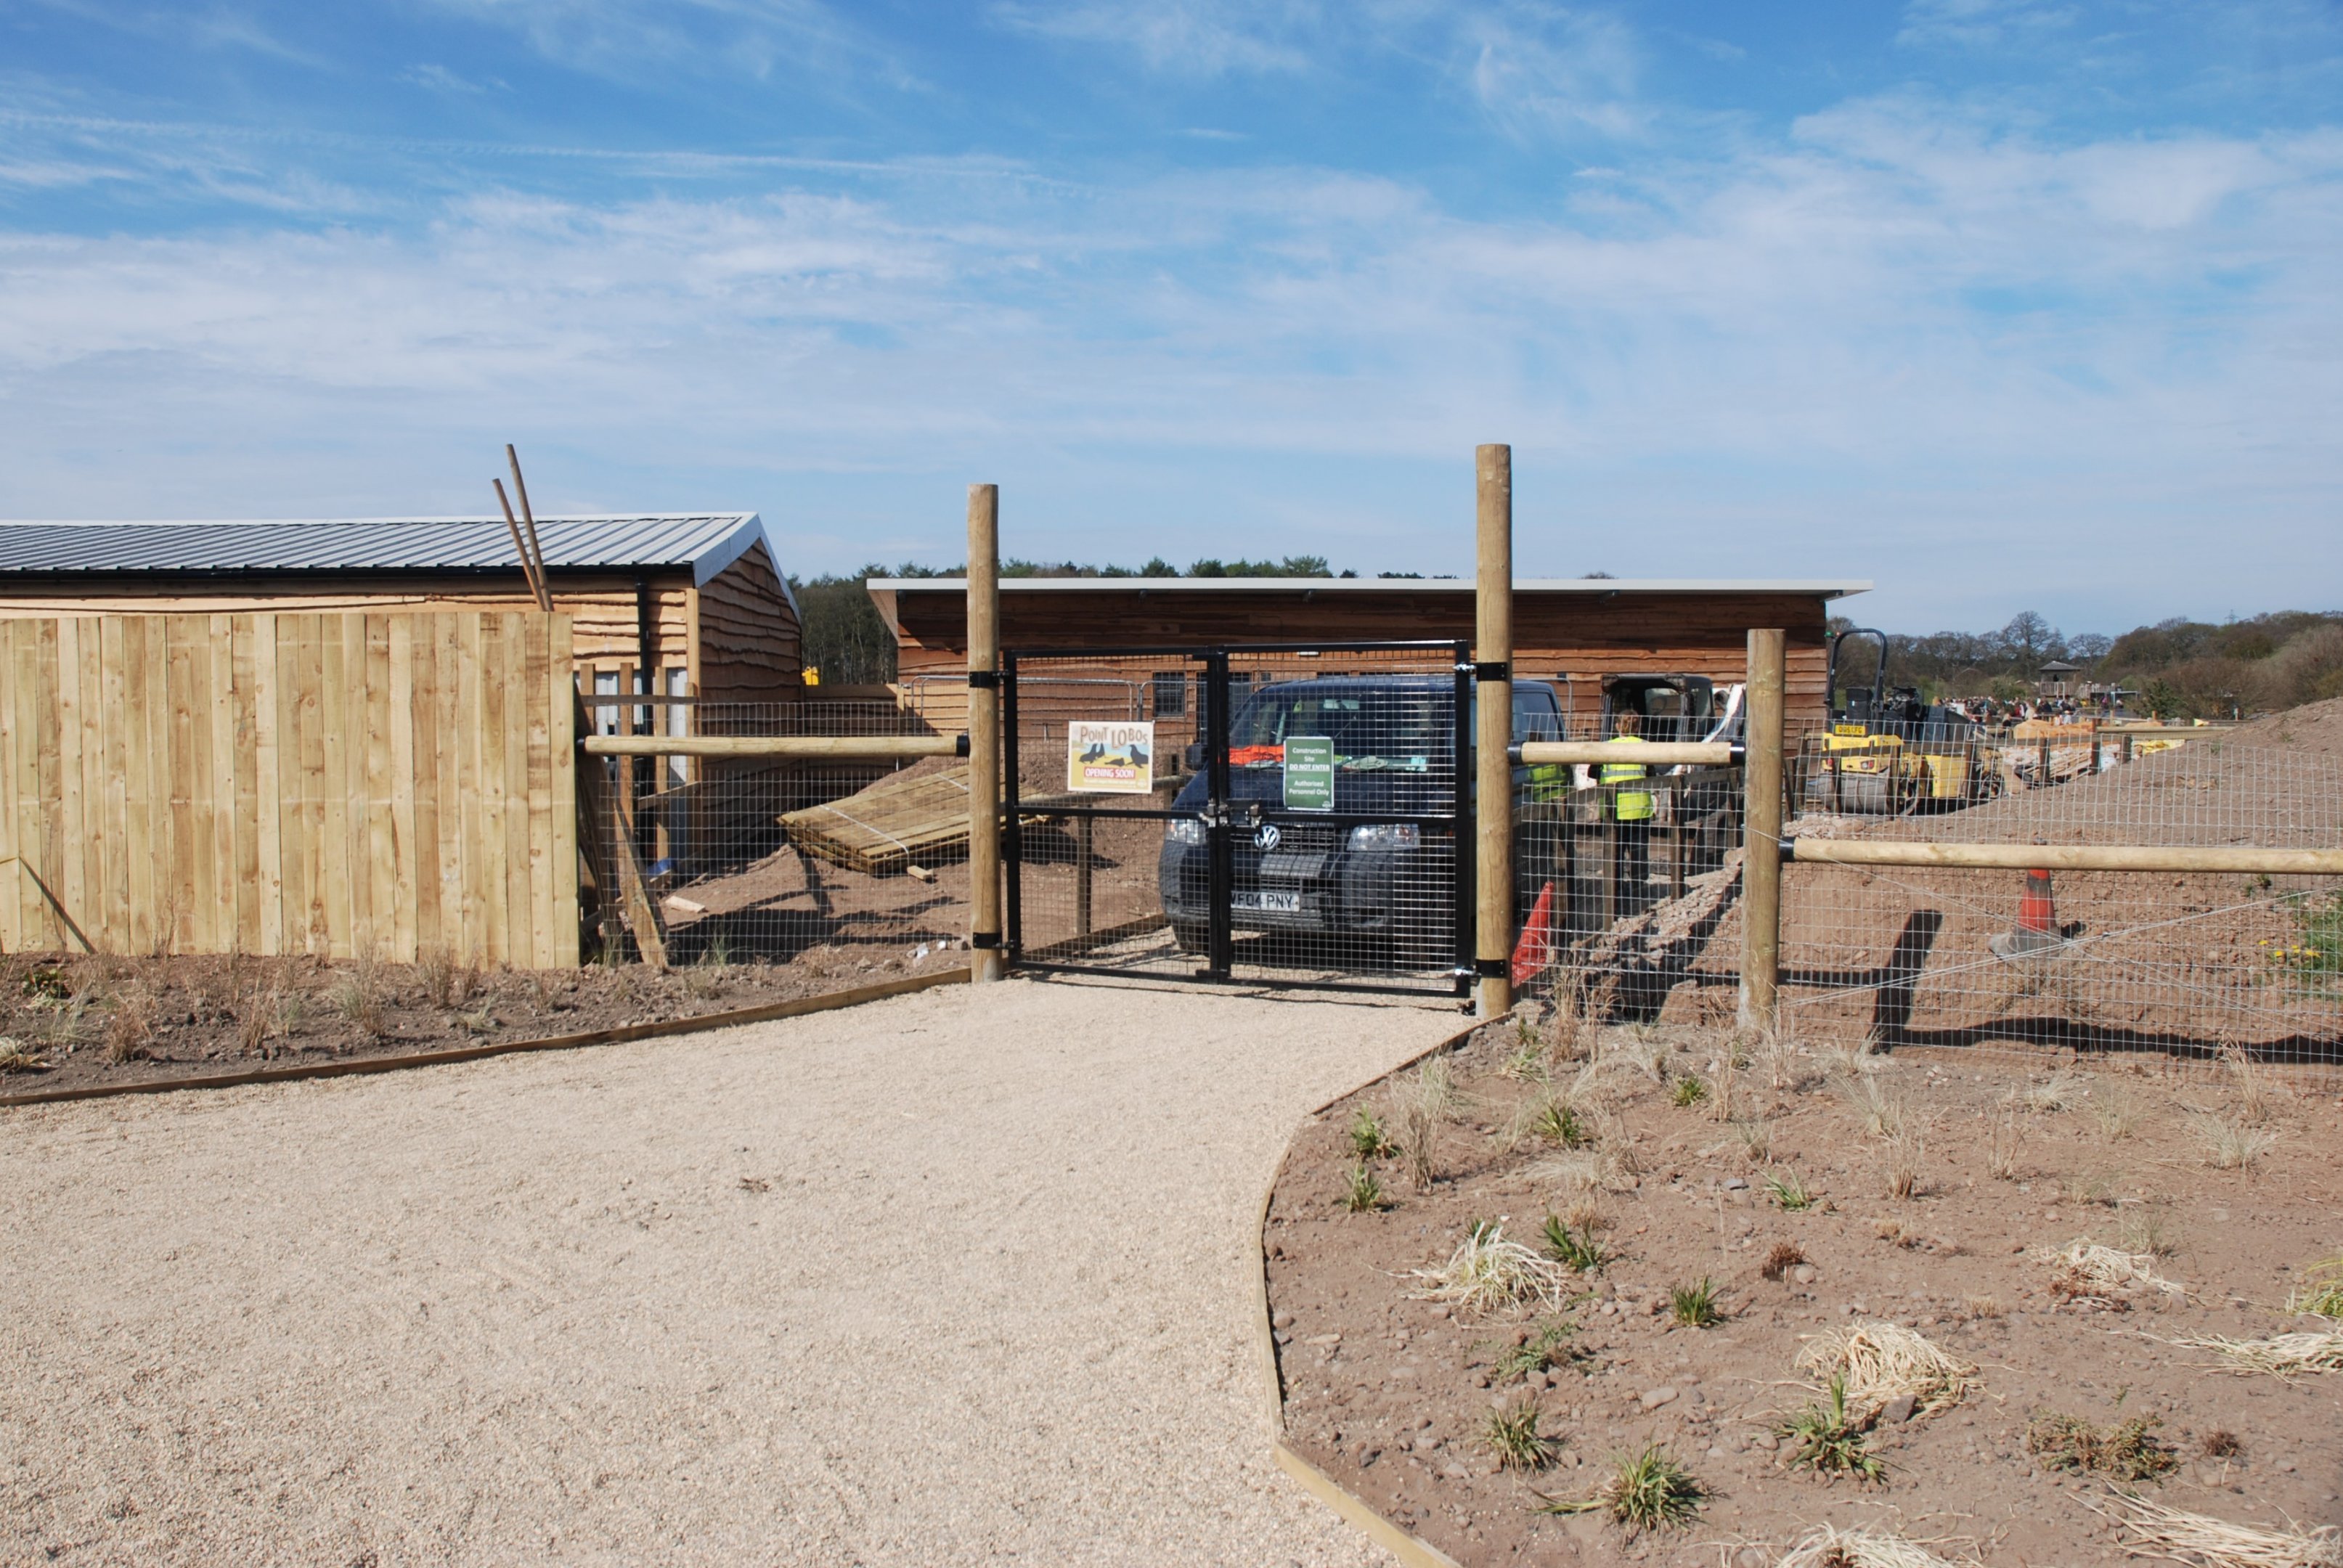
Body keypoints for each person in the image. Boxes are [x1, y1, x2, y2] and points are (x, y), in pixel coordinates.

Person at [1601, 709, 1654, 912]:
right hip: (1638, 808)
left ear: (1617, 726)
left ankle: (1615, 890)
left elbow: (1593, 772)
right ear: (1638, 727)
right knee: (1638, 851)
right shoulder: (1645, 747)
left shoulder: (1605, 747)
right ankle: (1638, 889)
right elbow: (1651, 774)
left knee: (1615, 851)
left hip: (1612, 808)